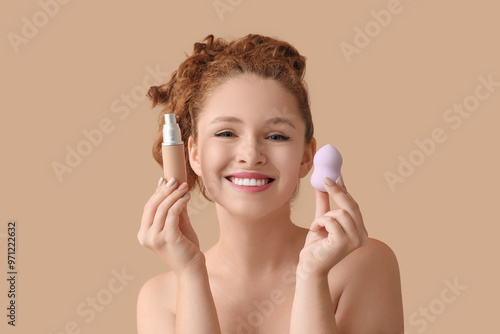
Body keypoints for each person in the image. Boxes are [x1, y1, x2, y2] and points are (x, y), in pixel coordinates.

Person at [136, 33, 404, 334]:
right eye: (226, 133)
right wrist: (191, 274)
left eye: (276, 136)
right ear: (194, 155)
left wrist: (312, 277)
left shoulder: (362, 265)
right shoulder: (161, 298)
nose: (251, 155)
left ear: (306, 157)